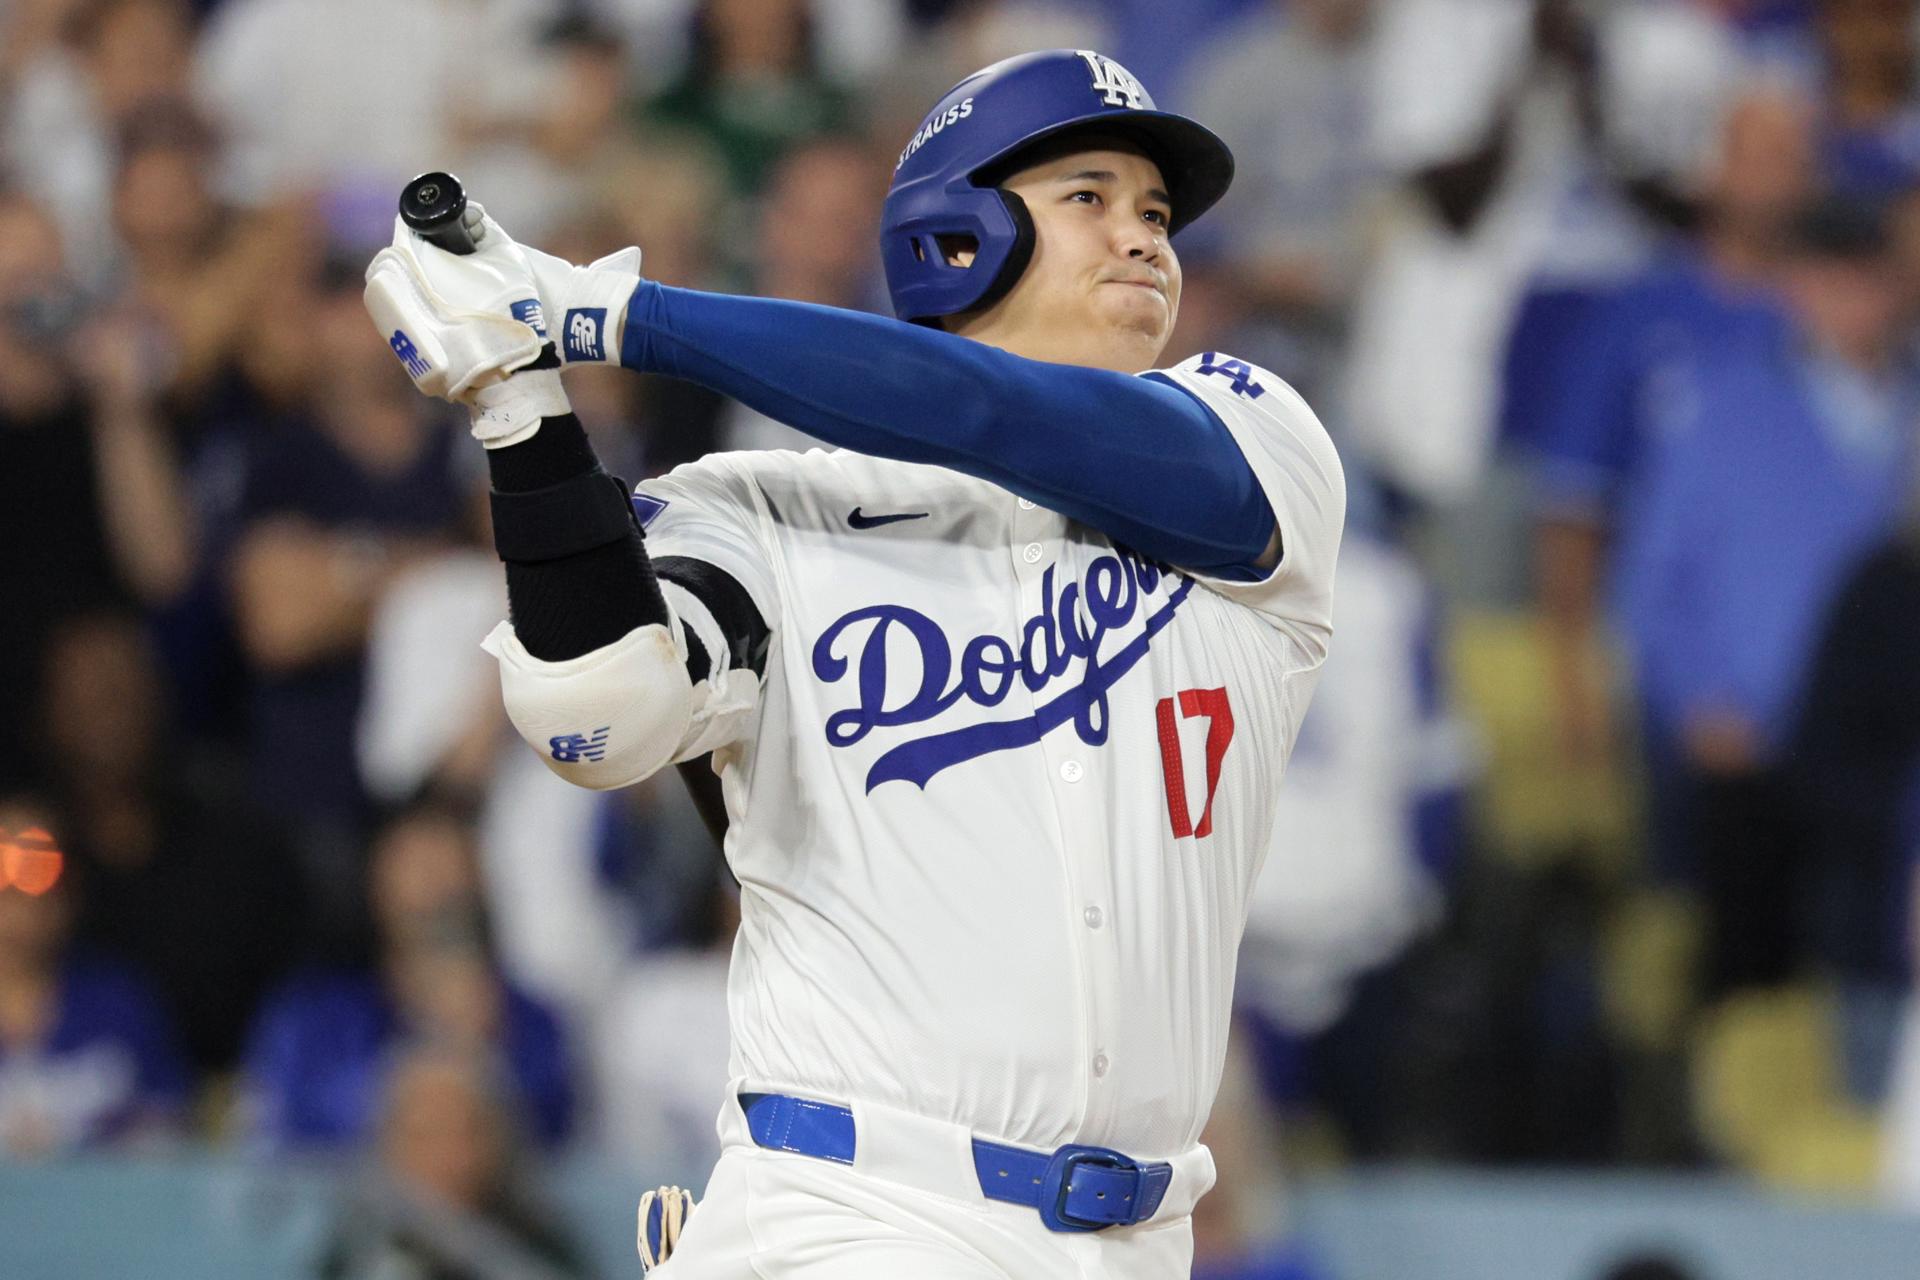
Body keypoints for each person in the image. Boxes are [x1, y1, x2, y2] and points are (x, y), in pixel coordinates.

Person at [365, 47, 1344, 1278]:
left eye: (1156, 212)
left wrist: (621, 316)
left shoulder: (1259, 440)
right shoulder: (771, 508)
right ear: (957, 239)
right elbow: (599, 708)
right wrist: (524, 414)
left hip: (1139, 1241)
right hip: (849, 1211)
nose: (1144, 236)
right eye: (1089, 197)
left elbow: (1000, 415)